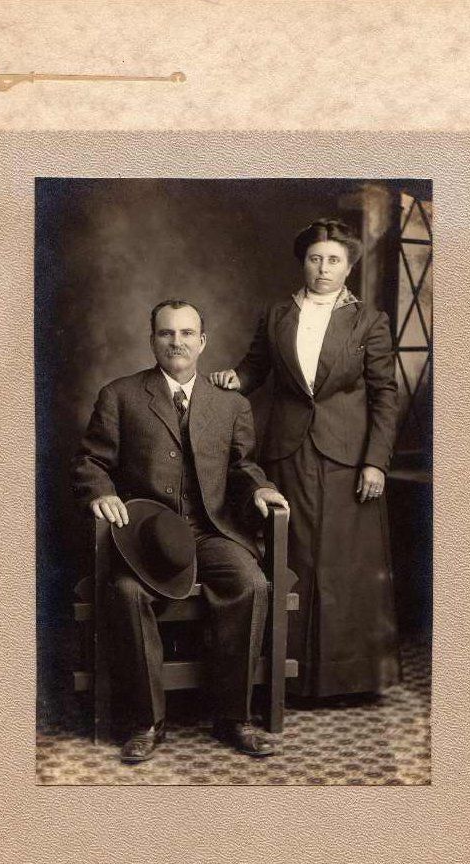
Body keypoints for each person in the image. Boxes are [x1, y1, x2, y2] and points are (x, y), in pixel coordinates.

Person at [73, 299, 290, 763]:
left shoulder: (231, 404)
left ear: (202, 341)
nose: (177, 342)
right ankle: (147, 722)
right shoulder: (120, 396)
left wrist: (261, 489)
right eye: (167, 333)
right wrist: (100, 493)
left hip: (211, 531)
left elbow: (243, 466)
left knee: (250, 584)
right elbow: (92, 461)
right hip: (146, 538)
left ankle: (234, 718)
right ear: (152, 340)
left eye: (187, 333)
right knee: (127, 592)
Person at [210, 219, 401, 699]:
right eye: (316, 258)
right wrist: (234, 379)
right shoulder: (278, 314)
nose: (323, 268)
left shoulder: (369, 321)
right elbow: (256, 367)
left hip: (349, 458)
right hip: (288, 450)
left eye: (334, 260)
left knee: (344, 564)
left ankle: (349, 678)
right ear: (304, 262)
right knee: (292, 556)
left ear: (349, 266)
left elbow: (385, 394)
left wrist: (376, 461)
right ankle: (288, 678)